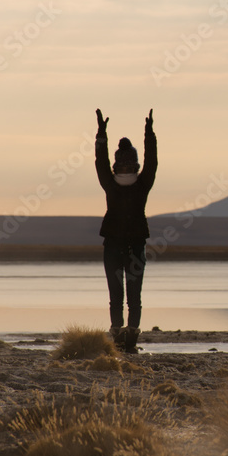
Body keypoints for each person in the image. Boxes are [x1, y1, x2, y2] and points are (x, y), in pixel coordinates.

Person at [95, 108, 157, 354]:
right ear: (118, 165)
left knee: (125, 294)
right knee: (124, 294)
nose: (126, 168)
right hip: (120, 244)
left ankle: (126, 335)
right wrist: (101, 135)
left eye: (129, 164)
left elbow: (152, 162)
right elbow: (100, 162)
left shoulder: (135, 184)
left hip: (126, 244)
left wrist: (149, 134)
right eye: (123, 164)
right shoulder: (124, 184)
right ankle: (122, 335)